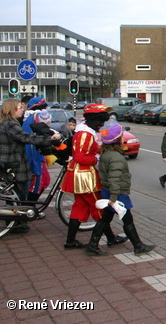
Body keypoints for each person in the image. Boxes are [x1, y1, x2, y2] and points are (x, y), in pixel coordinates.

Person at [61, 104, 127, 249]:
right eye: (100, 121)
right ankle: (107, 239)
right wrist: (97, 159)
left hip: (78, 174)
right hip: (84, 176)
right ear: (93, 119)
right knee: (100, 207)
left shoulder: (83, 132)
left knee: (80, 207)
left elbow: (86, 150)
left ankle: (70, 241)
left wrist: (100, 149)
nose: (101, 125)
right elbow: (80, 157)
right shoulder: (85, 134)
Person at [85, 121, 155, 256]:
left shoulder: (106, 154)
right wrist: (113, 198)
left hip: (109, 191)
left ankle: (92, 245)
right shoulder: (116, 157)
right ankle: (138, 246)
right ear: (117, 141)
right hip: (117, 194)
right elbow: (114, 178)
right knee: (126, 218)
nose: (124, 139)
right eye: (122, 137)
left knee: (106, 218)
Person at [0, 99, 61, 234]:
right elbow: (26, 138)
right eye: (20, 107)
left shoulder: (4, 122)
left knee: (14, 196)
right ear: (11, 109)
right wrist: (50, 139)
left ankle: (16, 221)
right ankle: (17, 222)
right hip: (15, 163)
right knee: (20, 194)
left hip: (7, 160)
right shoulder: (10, 124)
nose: (22, 110)